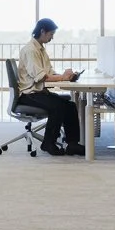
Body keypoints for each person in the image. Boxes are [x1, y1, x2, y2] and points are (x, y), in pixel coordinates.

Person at [17, 18, 84, 157]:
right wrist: (63, 77)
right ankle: (48, 143)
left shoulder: (40, 49)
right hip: (28, 94)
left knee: (70, 106)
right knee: (58, 106)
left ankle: (72, 144)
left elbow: (49, 73)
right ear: (42, 31)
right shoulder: (31, 50)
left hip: (38, 92)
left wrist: (66, 76)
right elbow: (41, 77)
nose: (52, 38)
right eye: (51, 34)